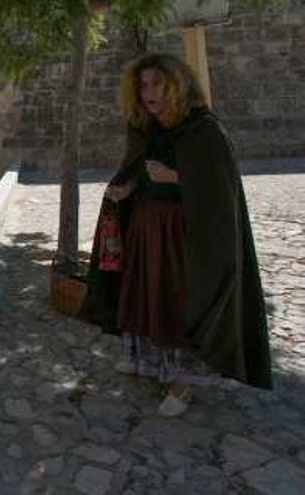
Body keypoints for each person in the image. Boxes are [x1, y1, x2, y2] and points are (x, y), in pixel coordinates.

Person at [79, 53, 272, 417]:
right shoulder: (145, 126)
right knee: (143, 295)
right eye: (143, 85)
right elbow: (138, 168)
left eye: (156, 84)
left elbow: (219, 190)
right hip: (145, 227)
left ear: (176, 86)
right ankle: (143, 359)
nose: (148, 93)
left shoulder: (204, 130)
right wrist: (128, 187)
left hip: (184, 235)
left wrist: (175, 177)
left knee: (173, 301)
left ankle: (181, 384)